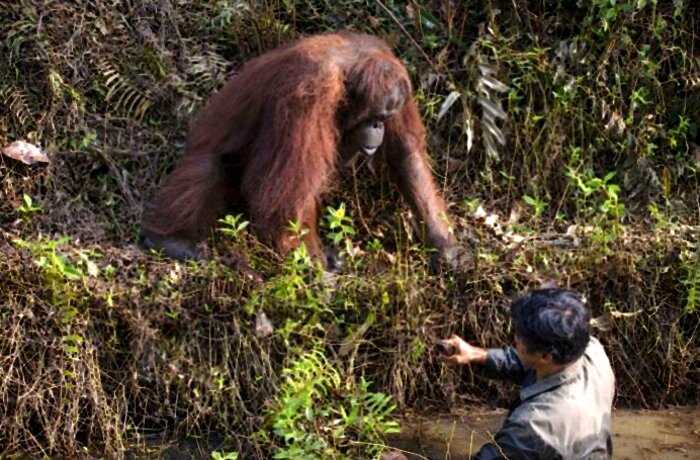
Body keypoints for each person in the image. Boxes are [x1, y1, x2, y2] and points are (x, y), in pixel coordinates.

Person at [441, 288, 615, 459]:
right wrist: (476, 355)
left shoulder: (533, 426)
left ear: (546, 356)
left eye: (520, 337)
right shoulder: (591, 350)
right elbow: (528, 361)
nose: (515, 339)